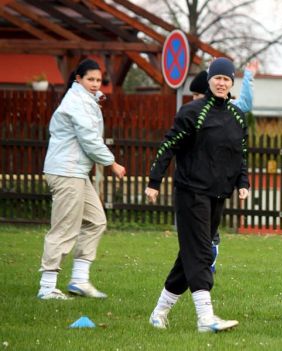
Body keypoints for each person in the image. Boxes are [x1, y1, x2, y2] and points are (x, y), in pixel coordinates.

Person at [145, 57, 250, 332]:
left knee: (189, 255)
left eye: (226, 79)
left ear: (231, 83)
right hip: (191, 191)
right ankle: (206, 318)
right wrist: (154, 181)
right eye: (217, 78)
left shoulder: (237, 117)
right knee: (203, 252)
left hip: (218, 195)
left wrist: (243, 182)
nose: (221, 82)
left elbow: (240, 155)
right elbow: (168, 145)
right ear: (209, 80)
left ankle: (159, 312)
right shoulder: (192, 112)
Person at [37, 59, 126, 300]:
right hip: (66, 172)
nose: (96, 84)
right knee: (64, 229)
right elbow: (89, 139)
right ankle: (47, 287)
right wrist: (112, 163)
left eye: (98, 80)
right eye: (90, 80)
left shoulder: (86, 101)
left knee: (96, 221)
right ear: (78, 79)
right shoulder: (76, 102)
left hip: (76, 173)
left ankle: (79, 281)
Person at [189, 60, 258, 273]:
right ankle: (198, 259)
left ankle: (209, 257)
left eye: (199, 96)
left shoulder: (230, 110)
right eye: (195, 97)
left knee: (210, 225)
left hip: (218, 178)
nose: (197, 101)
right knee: (194, 225)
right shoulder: (190, 114)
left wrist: (248, 76)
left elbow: (245, 103)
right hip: (194, 178)